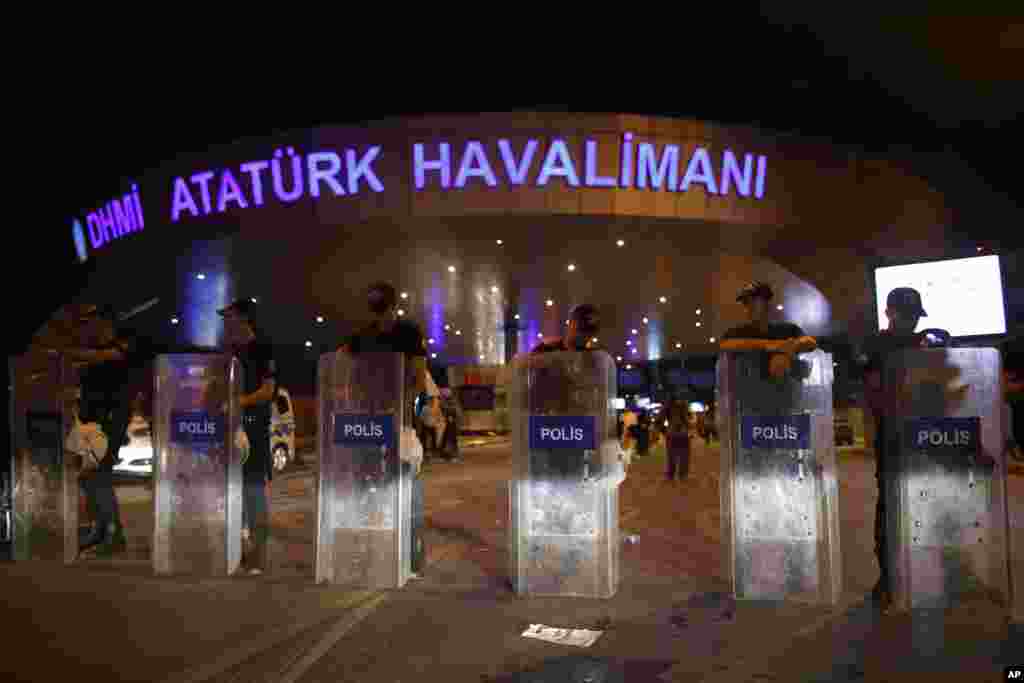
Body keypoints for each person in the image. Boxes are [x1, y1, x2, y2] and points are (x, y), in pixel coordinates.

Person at [859, 286, 950, 610]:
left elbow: (943, 350)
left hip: (925, 436)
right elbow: (872, 391)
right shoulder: (876, 344)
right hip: (895, 438)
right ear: (889, 312)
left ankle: (927, 572)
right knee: (890, 508)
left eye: (914, 316)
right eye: (906, 314)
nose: (911, 322)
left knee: (929, 504)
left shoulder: (921, 341)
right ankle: (888, 578)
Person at [339, 282, 431, 577]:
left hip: (397, 421)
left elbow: (417, 379)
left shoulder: (407, 333)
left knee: (405, 486)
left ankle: (411, 556)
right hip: (369, 422)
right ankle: (376, 548)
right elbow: (341, 365)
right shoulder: (361, 336)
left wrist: (407, 415)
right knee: (369, 486)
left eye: (380, 306)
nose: (378, 313)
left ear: (391, 305)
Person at [57, 304, 154, 556]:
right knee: (89, 476)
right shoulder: (93, 348)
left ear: (105, 322)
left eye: (92, 321)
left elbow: (108, 357)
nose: (88, 326)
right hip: (90, 422)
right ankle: (102, 530)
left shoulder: (125, 342)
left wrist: (66, 352)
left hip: (112, 421)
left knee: (99, 474)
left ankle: (113, 534)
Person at [218, 298, 277, 576]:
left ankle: (258, 555)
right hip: (228, 428)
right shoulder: (228, 352)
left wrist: (240, 401)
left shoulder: (263, 348)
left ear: (242, 318)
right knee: (232, 491)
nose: (225, 322)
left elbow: (268, 391)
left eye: (228, 317)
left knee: (253, 491)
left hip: (253, 428)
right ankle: (236, 549)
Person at [529, 304, 606, 479]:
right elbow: (529, 384)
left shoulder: (592, 359)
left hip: (576, 428)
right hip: (547, 426)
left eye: (588, 333)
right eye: (580, 330)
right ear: (570, 324)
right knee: (545, 479)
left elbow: (596, 397)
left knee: (573, 479)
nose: (583, 337)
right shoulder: (545, 351)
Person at [719, 281, 818, 378]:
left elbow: (811, 343)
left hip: (784, 391)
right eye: (745, 303)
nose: (748, 307)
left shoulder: (788, 329)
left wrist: (790, 350)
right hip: (750, 391)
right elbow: (726, 345)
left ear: (767, 304)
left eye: (753, 302)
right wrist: (776, 345)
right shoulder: (737, 332)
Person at [665, 400, 691, 482]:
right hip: (682, 433)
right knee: (684, 455)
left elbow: (660, 418)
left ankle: (671, 475)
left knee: (671, 455)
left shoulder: (668, 405)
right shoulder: (684, 405)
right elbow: (687, 420)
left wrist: (664, 430)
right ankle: (682, 475)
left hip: (671, 433)